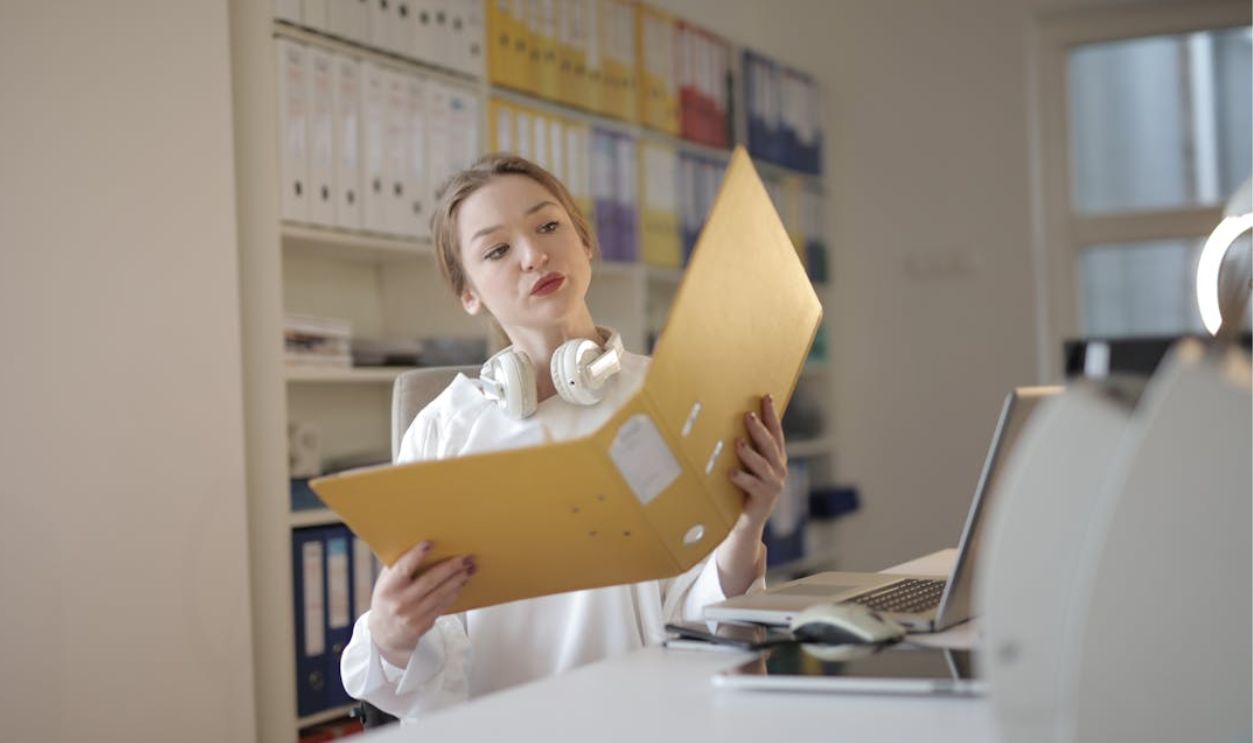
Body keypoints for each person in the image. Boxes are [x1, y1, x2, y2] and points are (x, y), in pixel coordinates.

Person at [341, 154, 790, 722]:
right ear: (469, 294)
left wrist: (748, 525)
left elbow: (709, 630)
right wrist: (393, 629)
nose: (534, 255)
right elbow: (430, 667)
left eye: (548, 226)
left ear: (586, 242)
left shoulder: (675, 396)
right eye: (497, 250)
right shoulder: (444, 427)